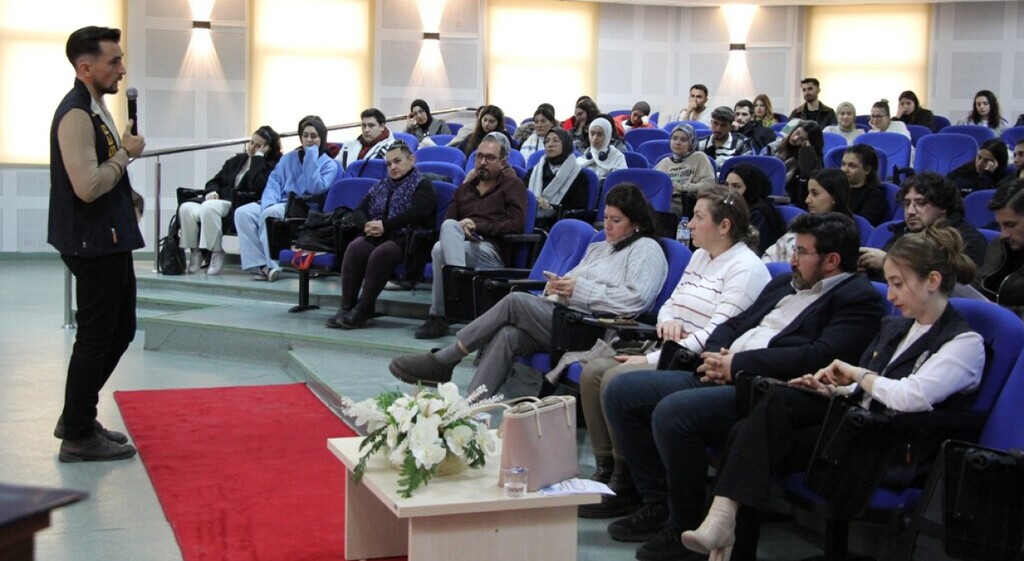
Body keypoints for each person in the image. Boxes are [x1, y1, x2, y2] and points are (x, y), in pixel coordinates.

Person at [682, 226, 983, 561]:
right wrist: (833, 389)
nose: (890, 296)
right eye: (889, 283)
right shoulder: (897, 327)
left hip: (893, 448)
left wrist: (856, 374)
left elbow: (909, 397)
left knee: (759, 428)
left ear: (932, 281)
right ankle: (724, 527)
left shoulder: (965, 344)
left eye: (898, 284)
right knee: (750, 431)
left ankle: (722, 526)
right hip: (858, 430)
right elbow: (867, 388)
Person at [599, 213, 884, 559]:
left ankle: (683, 525)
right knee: (622, 392)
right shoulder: (785, 283)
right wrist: (716, 355)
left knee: (674, 414)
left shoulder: (857, 298)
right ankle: (656, 503)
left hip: (762, 390)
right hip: (723, 369)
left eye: (801, 252)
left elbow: (817, 356)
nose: (792, 260)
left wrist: (737, 366)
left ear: (832, 260)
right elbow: (735, 323)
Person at [577, 187, 770, 506]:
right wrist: (667, 321)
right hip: (671, 347)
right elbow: (670, 303)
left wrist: (650, 360)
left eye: (698, 217)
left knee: (613, 378)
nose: (689, 224)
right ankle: (608, 470)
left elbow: (716, 334)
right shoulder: (700, 256)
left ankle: (631, 482)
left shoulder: (745, 268)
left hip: (697, 361)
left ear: (724, 226)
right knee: (593, 372)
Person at [390, 183, 669, 398]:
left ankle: (446, 358)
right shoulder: (600, 247)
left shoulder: (647, 249)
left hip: (594, 329)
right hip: (566, 318)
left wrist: (579, 290)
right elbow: (573, 281)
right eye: (605, 217)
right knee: (509, 335)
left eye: (616, 220)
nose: (607, 225)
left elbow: (635, 300)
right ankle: (470, 408)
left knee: (516, 302)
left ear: (637, 223)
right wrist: (557, 286)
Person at [48, 26, 146, 462]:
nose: (122, 69)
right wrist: (126, 154)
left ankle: (79, 416)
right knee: (95, 337)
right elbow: (87, 186)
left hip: (109, 238)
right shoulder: (75, 114)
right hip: (93, 242)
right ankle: (78, 434)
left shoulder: (95, 105)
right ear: (85, 69)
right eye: (114, 61)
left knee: (121, 329)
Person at [413, 133, 528, 340]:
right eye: (479, 156)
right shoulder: (464, 189)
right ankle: (455, 289)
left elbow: (516, 224)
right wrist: (462, 228)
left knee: (440, 249)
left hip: (491, 250)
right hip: (460, 245)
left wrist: (477, 226)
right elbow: (448, 223)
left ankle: (441, 314)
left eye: (490, 158)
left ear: (502, 162)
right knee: (441, 242)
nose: (482, 162)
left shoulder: (513, 186)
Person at [324, 142, 437, 329]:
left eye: (397, 161)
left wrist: (385, 226)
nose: (393, 167)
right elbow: (358, 211)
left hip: (409, 239)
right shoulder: (381, 185)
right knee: (355, 248)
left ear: (411, 159)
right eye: (389, 163)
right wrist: (366, 226)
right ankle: (347, 307)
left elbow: (418, 213)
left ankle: (364, 308)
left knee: (381, 253)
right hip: (378, 234)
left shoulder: (423, 185)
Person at [235, 115, 338, 281]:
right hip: (278, 202)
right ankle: (259, 265)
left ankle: (273, 265)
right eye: (305, 135)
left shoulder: (330, 164)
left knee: (270, 214)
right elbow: (274, 182)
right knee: (243, 213)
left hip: (304, 208)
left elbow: (315, 187)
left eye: (314, 136)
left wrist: (311, 157)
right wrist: (269, 203)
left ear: (322, 138)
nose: (309, 140)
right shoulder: (288, 158)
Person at [179, 126, 281, 275]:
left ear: (267, 148)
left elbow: (257, 186)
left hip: (239, 202)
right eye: (251, 142)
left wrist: (258, 158)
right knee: (186, 208)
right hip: (220, 199)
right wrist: (212, 191)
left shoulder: (270, 166)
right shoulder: (236, 161)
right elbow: (215, 181)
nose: (252, 147)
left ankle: (217, 252)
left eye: (258, 146)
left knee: (209, 208)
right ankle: (196, 252)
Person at [859, 173, 987, 279]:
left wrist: (889, 263)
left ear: (943, 206)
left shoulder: (967, 239)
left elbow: (952, 283)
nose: (910, 211)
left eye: (920, 203)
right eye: (907, 204)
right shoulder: (902, 232)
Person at [764, 168, 851, 263]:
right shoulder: (803, 225)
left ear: (835, 197)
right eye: (808, 193)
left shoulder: (845, 234)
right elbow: (769, 257)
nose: (807, 200)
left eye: (815, 194)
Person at [524, 128, 588, 230]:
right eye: (547, 141)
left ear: (566, 144)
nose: (550, 144)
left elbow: (578, 211)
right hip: (530, 223)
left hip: (561, 227)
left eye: (555, 140)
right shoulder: (533, 172)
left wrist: (550, 208)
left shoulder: (578, 176)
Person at [977, 179, 1024, 318]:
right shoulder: (998, 245)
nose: (1003, 235)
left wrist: (994, 313)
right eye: (1000, 226)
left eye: (1010, 225)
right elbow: (978, 283)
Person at [655, 124, 716, 218]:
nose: (677, 142)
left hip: (688, 204)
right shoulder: (664, 162)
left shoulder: (699, 157)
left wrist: (682, 187)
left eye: (683, 140)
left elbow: (709, 185)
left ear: (691, 142)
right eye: (674, 138)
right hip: (666, 202)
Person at [725, 164, 786, 255]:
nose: (729, 191)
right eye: (726, 185)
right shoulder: (727, 208)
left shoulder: (759, 214)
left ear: (751, 189)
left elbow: (748, 249)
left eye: (736, 186)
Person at [778, 121, 825, 209]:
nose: (795, 138)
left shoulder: (812, 159)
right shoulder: (780, 147)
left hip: (792, 200)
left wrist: (807, 151)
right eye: (797, 132)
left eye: (802, 139)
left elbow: (806, 175)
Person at [335, 108, 396, 172]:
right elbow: (336, 169)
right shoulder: (348, 145)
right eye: (364, 126)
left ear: (382, 126)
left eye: (371, 126)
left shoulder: (393, 147)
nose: (366, 130)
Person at [842, 144, 889, 226]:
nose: (845, 170)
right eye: (843, 164)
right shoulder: (838, 188)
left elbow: (863, 226)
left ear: (867, 169)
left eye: (852, 166)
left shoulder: (874, 196)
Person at [577, 118, 627, 182]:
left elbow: (618, 182)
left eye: (599, 134)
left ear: (607, 136)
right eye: (592, 133)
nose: (594, 138)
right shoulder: (586, 155)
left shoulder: (617, 158)